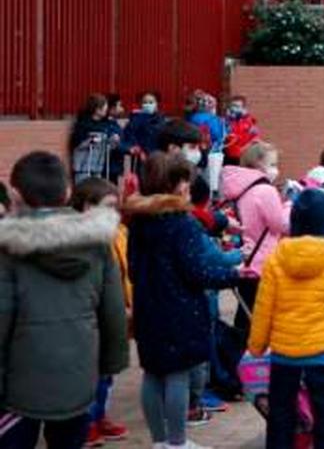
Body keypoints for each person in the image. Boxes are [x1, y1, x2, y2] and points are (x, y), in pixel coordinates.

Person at [0, 153, 128, 449]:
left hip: (19, 387)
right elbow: (112, 311)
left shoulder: (7, 249)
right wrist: (110, 363)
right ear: (68, 192)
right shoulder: (98, 243)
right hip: (80, 378)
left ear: (15, 193)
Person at [125, 152, 241, 449]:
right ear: (176, 185)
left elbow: (134, 268)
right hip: (181, 309)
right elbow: (199, 270)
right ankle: (177, 442)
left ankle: (159, 441)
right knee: (178, 374)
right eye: (186, 183)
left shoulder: (138, 221)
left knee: (152, 373)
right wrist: (234, 274)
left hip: (148, 307)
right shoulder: (181, 223)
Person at [248, 189, 324, 449]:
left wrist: (256, 345)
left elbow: (264, 307)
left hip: (283, 352)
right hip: (320, 351)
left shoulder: (276, 258)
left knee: (280, 411)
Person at [69, 179, 131, 446]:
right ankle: (87, 421)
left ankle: (99, 415)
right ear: (85, 207)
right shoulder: (78, 240)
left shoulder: (118, 233)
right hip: (89, 317)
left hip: (115, 311)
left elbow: (124, 272)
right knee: (91, 375)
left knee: (107, 373)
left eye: (116, 207)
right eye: (107, 207)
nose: (114, 213)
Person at [220, 141, 291, 326]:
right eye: (273, 164)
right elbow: (280, 225)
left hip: (245, 259)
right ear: (259, 165)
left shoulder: (239, 190)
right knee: (261, 319)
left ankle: (236, 351)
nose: (276, 170)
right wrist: (289, 206)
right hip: (264, 263)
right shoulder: (265, 190)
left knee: (244, 316)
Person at [70, 93, 124, 184]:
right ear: (97, 109)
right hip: (83, 167)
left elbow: (106, 147)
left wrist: (113, 141)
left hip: (98, 166)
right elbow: (76, 145)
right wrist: (90, 141)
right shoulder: (83, 125)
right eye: (104, 107)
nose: (106, 110)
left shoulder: (104, 126)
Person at [186, 91, 227, 194]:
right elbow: (218, 135)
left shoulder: (192, 118)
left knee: (197, 175)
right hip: (213, 151)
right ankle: (211, 198)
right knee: (212, 179)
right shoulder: (214, 119)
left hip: (197, 151)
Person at [121, 91, 166, 173]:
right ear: (140, 104)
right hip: (139, 160)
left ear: (157, 104)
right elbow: (128, 138)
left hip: (158, 159)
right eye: (145, 102)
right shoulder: (135, 120)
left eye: (151, 102)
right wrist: (137, 150)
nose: (148, 104)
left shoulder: (161, 121)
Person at [223, 95, 260, 167]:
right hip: (228, 156)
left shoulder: (250, 122)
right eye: (232, 106)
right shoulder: (225, 121)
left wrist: (243, 149)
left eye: (237, 106)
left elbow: (255, 139)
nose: (234, 108)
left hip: (244, 157)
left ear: (243, 108)